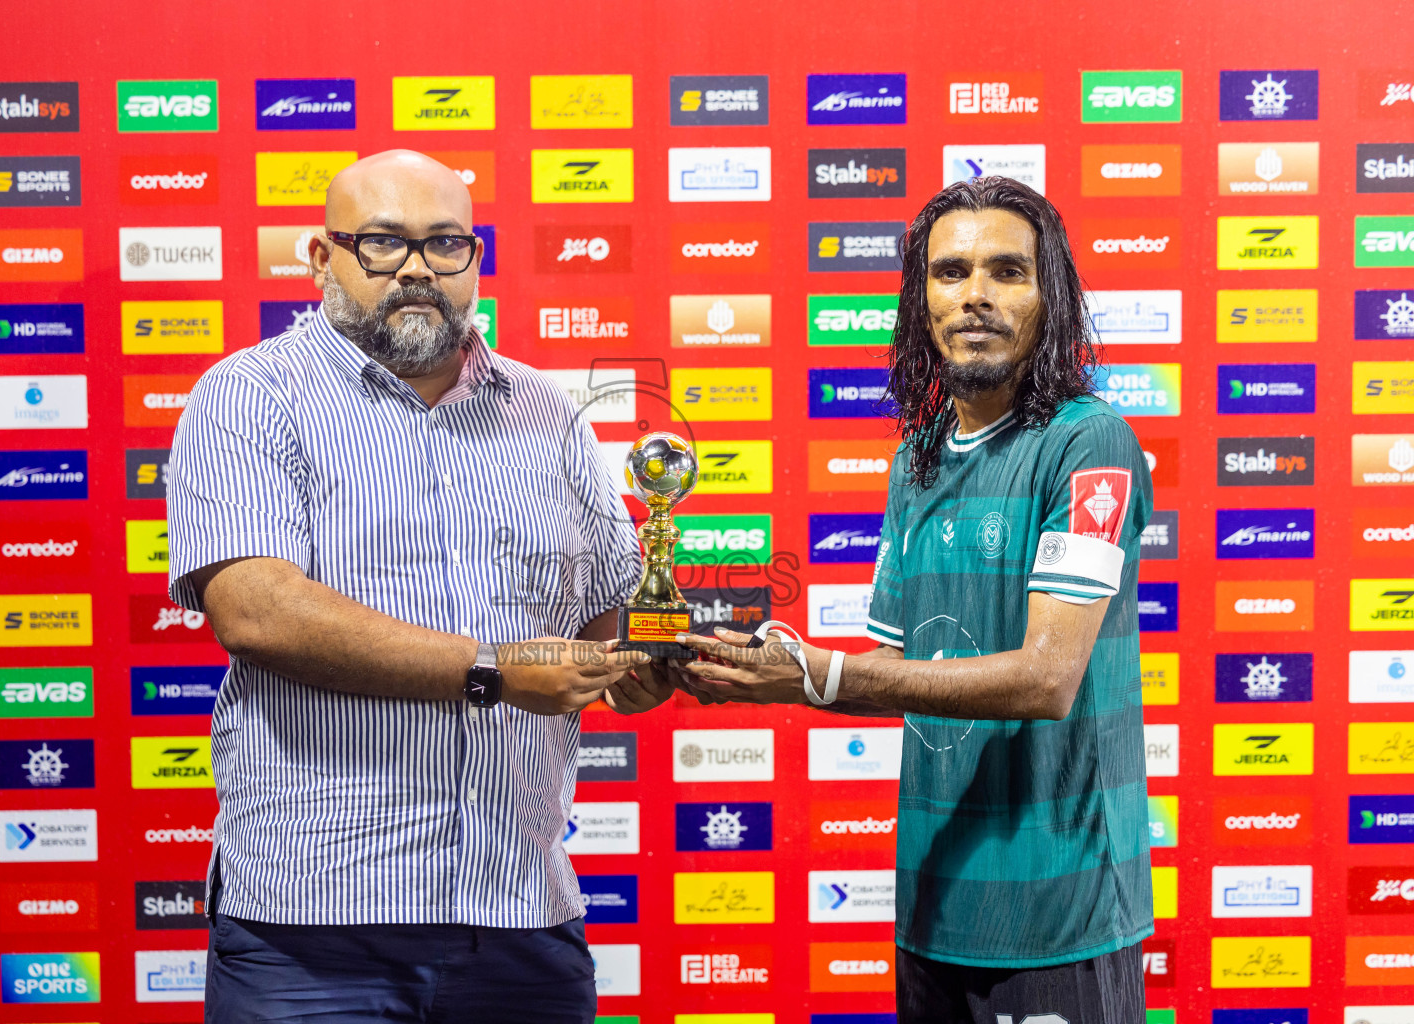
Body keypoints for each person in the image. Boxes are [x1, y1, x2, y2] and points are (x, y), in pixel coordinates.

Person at [165, 149, 673, 1023]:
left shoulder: (546, 414)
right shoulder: (251, 396)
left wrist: (659, 659)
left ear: (473, 259)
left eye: (445, 245)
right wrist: (492, 669)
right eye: (382, 243)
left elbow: (605, 628)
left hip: (519, 916)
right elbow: (256, 611)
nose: (415, 269)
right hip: (311, 932)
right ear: (323, 258)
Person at [675, 176, 1154, 1023]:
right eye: (951, 272)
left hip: (1061, 914)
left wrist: (824, 677)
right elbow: (897, 670)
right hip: (933, 906)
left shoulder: (1089, 440)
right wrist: (758, 671)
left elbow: (1046, 680)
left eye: (1008, 271)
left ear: (1053, 298)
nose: (975, 294)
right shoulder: (920, 455)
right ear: (919, 301)